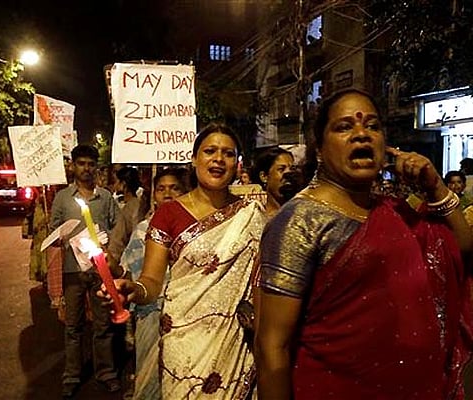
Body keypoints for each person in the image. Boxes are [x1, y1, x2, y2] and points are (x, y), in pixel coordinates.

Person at [254, 89, 473, 400]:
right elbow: (272, 347)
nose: (361, 135)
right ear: (319, 148)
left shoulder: (396, 211)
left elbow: (461, 250)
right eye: (344, 127)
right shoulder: (299, 221)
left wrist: (435, 187)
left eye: (372, 126)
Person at [101, 122, 266, 399]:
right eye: (210, 151)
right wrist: (133, 290)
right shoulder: (168, 214)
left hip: (236, 339)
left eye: (227, 153)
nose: (218, 159)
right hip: (185, 340)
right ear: (194, 159)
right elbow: (151, 282)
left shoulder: (252, 210)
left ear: (237, 164)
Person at [49, 144, 120, 398]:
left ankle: (106, 372)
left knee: (103, 324)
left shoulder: (106, 197)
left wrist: (106, 238)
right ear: (73, 166)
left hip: (100, 270)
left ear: (96, 168)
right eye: (82, 163)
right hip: (72, 270)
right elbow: (54, 231)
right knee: (73, 325)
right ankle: (72, 375)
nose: (86, 169)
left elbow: (117, 228)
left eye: (91, 164)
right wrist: (63, 238)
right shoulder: (62, 199)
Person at [120, 167, 188, 400]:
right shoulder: (142, 230)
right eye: (161, 189)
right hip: (150, 314)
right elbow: (135, 273)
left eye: (174, 188)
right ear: (153, 195)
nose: (167, 194)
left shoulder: (196, 230)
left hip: (187, 315)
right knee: (151, 381)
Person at [107, 166, 149, 278]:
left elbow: (132, 234)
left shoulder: (134, 206)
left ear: (123, 184)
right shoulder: (128, 204)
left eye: (116, 181)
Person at [251, 147, 298, 218]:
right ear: (264, 176)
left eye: (292, 169)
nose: (288, 173)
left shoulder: (302, 213)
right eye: (281, 169)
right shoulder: (253, 216)